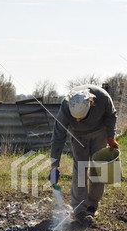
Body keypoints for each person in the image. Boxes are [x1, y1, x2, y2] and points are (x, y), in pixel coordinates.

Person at [49, 84, 119, 223]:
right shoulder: (65, 106)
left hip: (100, 132)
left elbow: (111, 115)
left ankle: (92, 206)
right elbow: (58, 136)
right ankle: (79, 209)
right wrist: (54, 165)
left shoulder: (103, 97)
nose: (78, 120)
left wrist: (111, 136)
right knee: (80, 168)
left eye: (81, 117)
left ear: (91, 104)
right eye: (76, 117)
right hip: (78, 135)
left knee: (97, 168)